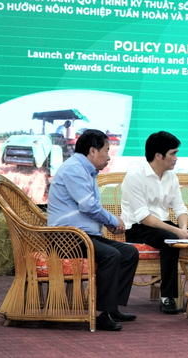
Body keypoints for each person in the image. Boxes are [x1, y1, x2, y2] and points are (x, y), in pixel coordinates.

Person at [48, 129, 139, 331]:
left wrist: (109, 223)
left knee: (129, 252)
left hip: (84, 236)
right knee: (112, 255)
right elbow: (88, 206)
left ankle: (111, 307)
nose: (109, 156)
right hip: (66, 237)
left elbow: (89, 209)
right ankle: (100, 313)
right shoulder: (74, 169)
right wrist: (113, 220)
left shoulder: (86, 171)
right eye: (106, 151)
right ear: (92, 151)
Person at [121, 131, 188, 315]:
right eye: (173, 153)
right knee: (170, 240)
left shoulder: (171, 176)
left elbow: (180, 208)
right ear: (159, 156)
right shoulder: (135, 176)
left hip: (162, 225)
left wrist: (183, 229)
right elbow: (144, 217)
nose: (176, 158)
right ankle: (168, 297)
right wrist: (176, 233)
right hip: (138, 228)